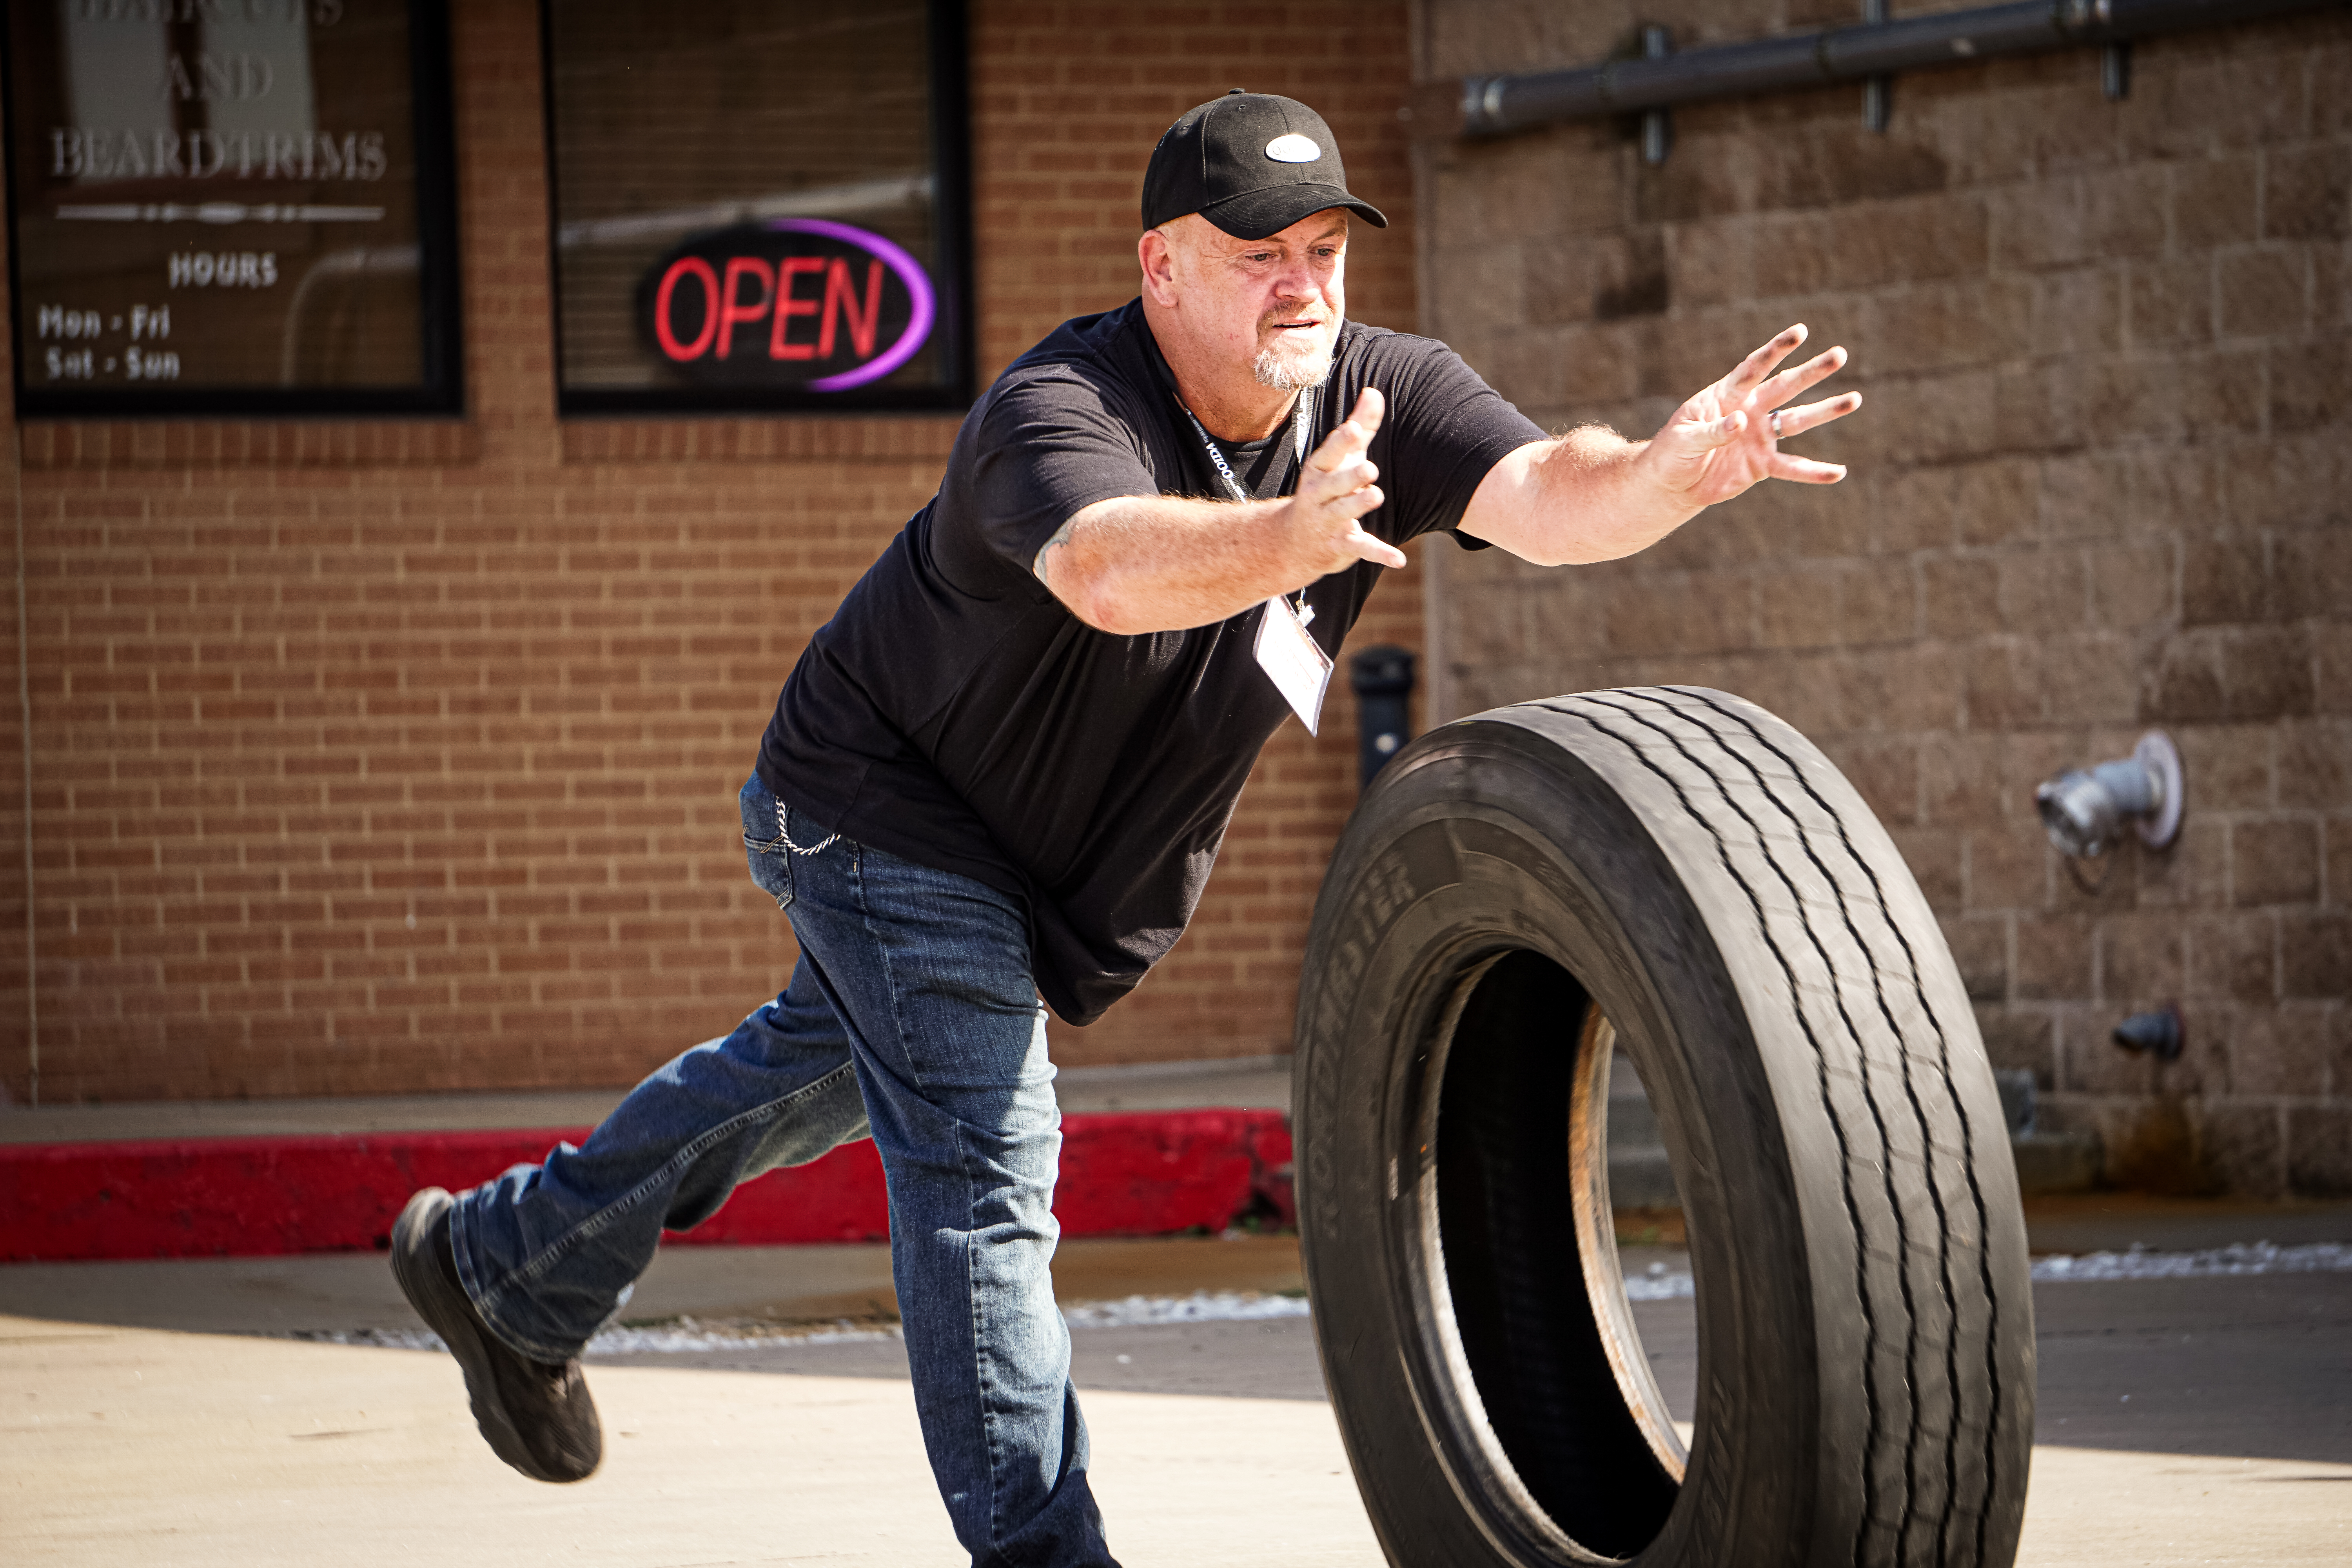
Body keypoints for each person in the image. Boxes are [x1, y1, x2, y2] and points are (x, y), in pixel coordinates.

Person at [390, 90, 1859, 1567]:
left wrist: (1664, 472)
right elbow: (1103, 566)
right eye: (1257, 255)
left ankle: (505, 1266)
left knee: (811, 1080)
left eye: (1325, 250)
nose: (1304, 285)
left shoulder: (1380, 396)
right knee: (984, 1160)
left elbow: (1543, 493)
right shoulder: (1060, 410)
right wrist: (1288, 537)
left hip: (1039, 873)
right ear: (1161, 268)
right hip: (882, 808)